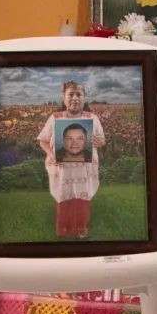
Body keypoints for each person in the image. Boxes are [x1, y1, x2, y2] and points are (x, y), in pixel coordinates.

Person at [37, 81, 106, 239]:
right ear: (64, 98)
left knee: (82, 198)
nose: (75, 98)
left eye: (79, 95)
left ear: (84, 98)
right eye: (71, 94)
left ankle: (81, 226)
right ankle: (65, 228)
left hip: (84, 169)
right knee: (64, 195)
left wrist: (98, 142)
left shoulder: (93, 118)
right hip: (62, 169)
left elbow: (102, 140)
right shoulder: (55, 118)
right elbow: (43, 140)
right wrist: (52, 154)